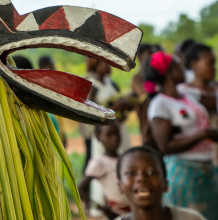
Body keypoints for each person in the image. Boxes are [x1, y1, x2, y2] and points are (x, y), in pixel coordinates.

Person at [145, 51, 218, 219]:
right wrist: (203, 134)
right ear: (170, 72)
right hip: (183, 173)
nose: (184, 70)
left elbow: (214, 101)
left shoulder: (189, 95)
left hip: (207, 170)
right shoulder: (159, 105)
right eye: (179, 66)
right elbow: (166, 146)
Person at [115, 146, 206, 220]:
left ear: (165, 184)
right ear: (120, 186)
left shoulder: (192, 218)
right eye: (132, 173)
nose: (142, 178)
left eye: (152, 172)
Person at [79, 122, 130, 219]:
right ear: (98, 137)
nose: (115, 138)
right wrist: (99, 207)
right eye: (109, 134)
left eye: (117, 133)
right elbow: (81, 189)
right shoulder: (99, 163)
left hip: (133, 211)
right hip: (115, 214)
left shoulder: (126, 158)